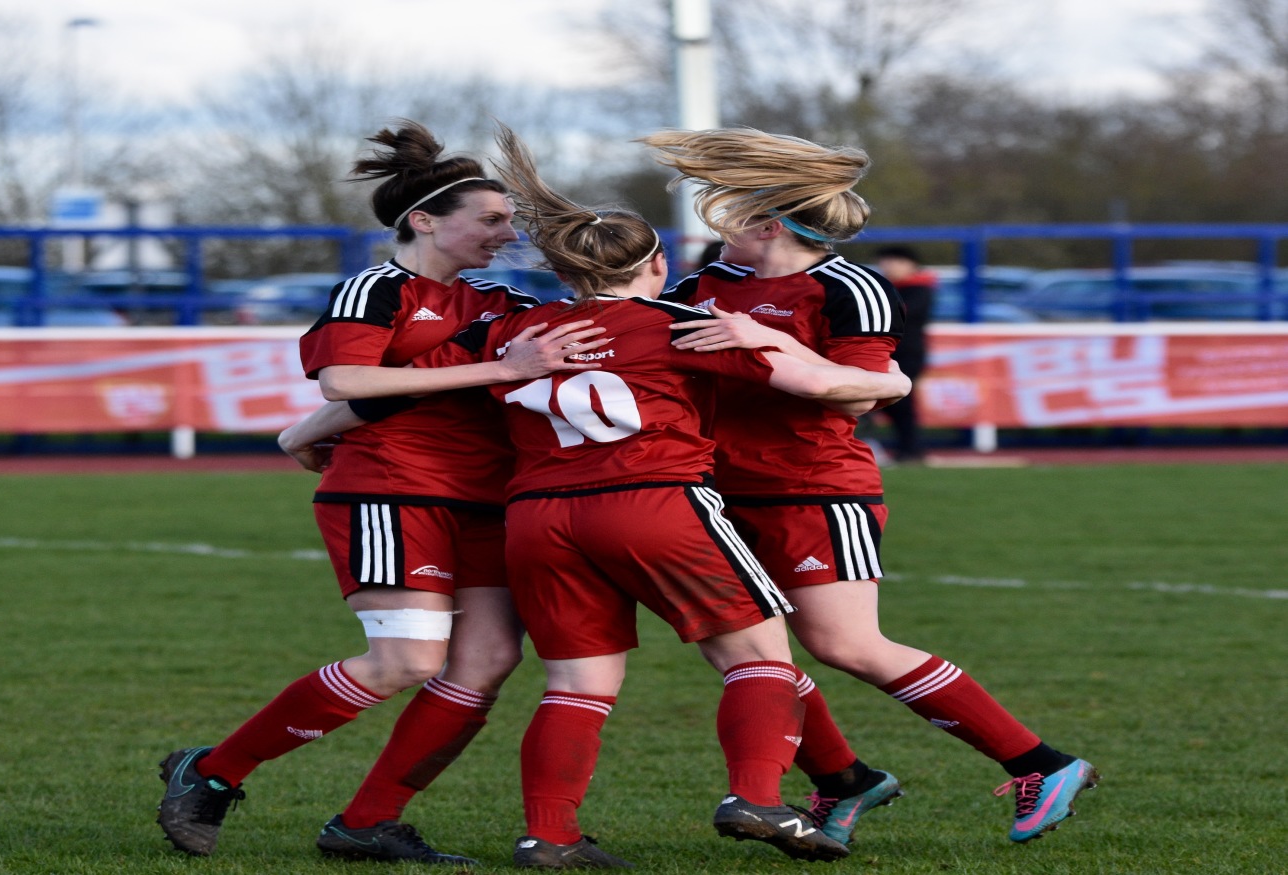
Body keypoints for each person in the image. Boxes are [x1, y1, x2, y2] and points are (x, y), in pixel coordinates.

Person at [400, 123, 910, 868]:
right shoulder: (683, 326)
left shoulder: (516, 329)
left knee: (576, 682)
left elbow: (406, 387)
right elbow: (823, 388)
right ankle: (757, 795)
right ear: (659, 264)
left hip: (538, 519)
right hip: (656, 503)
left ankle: (550, 833)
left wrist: (311, 428)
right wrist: (892, 381)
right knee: (759, 654)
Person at [156, 120, 608, 863]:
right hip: (393, 491)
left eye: (509, 221)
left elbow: (417, 383)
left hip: (488, 500)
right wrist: (498, 371)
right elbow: (350, 382)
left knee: (488, 661)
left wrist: (300, 434)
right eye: (491, 219)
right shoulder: (376, 287)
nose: (507, 233)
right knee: (405, 659)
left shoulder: (495, 297)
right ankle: (210, 771)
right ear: (425, 219)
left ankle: (367, 821)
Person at [642, 126, 1098, 846]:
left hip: (813, 489)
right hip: (714, 493)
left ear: (767, 224)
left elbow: (858, 393)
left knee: (847, 643)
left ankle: (1042, 763)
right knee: (746, 656)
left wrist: (766, 342)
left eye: (727, 212)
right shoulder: (708, 283)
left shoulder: (850, 286)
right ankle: (844, 781)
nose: (715, 225)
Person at [873, 245, 935, 463]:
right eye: (884, 261)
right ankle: (907, 449)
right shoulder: (886, 286)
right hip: (886, 352)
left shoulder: (919, 289)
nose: (887, 266)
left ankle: (911, 450)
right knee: (892, 404)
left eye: (893, 261)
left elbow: (903, 314)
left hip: (907, 353)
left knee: (901, 403)